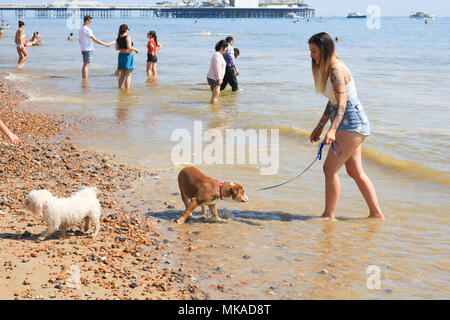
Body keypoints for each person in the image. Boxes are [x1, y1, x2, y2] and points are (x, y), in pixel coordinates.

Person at [308, 32, 384, 220]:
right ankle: (376, 214)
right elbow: (332, 100)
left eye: (314, 51)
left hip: (351, 122)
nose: (311, 55)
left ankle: (328, 215)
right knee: (355, 171)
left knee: (329, 169)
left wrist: (331, 130)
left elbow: (341, 103)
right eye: (310, 51)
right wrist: (320, 126)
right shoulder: (328, 68)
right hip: (350, 120)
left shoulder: (335, 70)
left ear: (324, 50)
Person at [78, 15, 110, 81]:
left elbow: (80, 40)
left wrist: (82, 45)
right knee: (86, 65)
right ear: (87, 21)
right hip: (88, 49)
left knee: (84, 64)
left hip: (83, 49)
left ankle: (84, 79)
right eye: (90, 21)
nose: (91, 23)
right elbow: (95, 40)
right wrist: (105, 44)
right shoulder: (88, 30)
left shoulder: (80, 29)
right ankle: (85, 79)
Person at [115, 24, 139, 89]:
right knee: (128, 74)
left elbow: (116, 48)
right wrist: (136, 49)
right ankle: (127, 91)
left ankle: (120, 89)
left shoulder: (118, 38)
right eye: (128, 29)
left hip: (120, 56)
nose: (128, 30)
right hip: (127, 56)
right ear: (126, 30)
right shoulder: (127, 37)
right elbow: (129, 47)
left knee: (122, 75)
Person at [206, 40, 228, 104]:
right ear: (222, 48)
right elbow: (217, 67)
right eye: (226, 47)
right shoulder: (217, 55)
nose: (226, 49)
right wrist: (219, 79)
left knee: (215, 96)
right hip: (214, 78)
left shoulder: (218, 55)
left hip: (214, 77)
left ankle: (213, 109)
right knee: (215, 96)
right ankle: (215, 111)